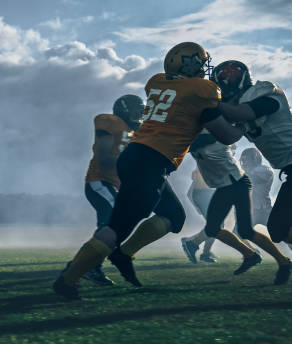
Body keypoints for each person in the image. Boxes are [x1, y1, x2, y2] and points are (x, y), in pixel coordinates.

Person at [53, 42, 254, 300]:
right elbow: (225, 135)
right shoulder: (202, 90)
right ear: (190, 64)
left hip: (140, 157)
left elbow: (185, 105)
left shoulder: (157, 82)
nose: (204, 68)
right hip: (150, 160)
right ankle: (69, 279)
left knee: (173, 216)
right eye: (200, 63)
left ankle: (123, 254)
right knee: (117, 227)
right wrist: (244, 126)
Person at [212, 60, 292, 283]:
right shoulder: (241, 107)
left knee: (278, 227)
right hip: (289, 170)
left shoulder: (264, 93)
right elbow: (229, 136)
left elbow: (242, 112)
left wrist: (210, 104)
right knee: (278, 229)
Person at [180, 130, 289, 284]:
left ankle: (265, 258)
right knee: (237, 230)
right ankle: (266, 258)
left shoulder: (208, 136)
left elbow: (191, 142)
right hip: (231, 184)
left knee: (229, 229)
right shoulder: (200, 136)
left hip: (234, 184)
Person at [73, 94, 145, 286]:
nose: (140, 114)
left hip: (113, 185)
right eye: (137, 109)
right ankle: (86, 267)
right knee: (113, 224)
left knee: (110, 227)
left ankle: (86, 266)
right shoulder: (109, 122)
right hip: (99, 182)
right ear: (126, 110)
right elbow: (104, 159)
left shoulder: (134, 131)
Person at [181, 167, 217, 263]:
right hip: (205, 195)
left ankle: (194, 244)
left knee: (216, 226)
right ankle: (194, 245)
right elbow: (190, 192)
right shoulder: (207, 167)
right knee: (217, 226)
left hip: (207, 195)